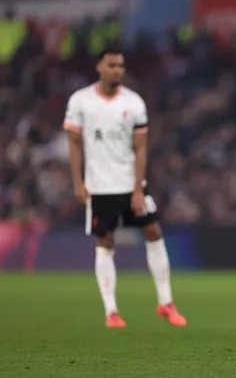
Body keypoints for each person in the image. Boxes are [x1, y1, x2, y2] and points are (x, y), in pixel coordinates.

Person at [63, 48, 188, 329]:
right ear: (99, 66)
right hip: (100, 186)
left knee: (153, 230)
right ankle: (111, 311)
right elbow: (72, 142)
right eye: (112, 65)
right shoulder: (81, 101)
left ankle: (166, 302)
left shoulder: (133, 103)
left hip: (131, 182)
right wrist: (77, 182)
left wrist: (137, 189)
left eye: (120, 65)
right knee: (105, 241)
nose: (117, 70)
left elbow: (141, 148)